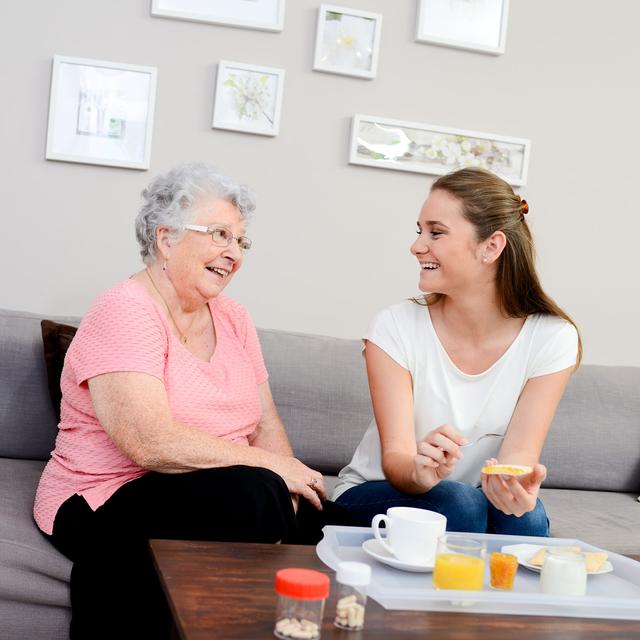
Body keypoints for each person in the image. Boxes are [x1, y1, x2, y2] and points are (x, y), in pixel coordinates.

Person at [33, 162, 341, 639]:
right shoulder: (124, 310)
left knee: (331, 524)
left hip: (215, 488)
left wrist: (295, 489)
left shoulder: (234, 318)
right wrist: (272, 473)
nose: (233, 253)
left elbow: (265, 424)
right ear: (167, 238)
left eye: (241, 241)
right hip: (103, 494)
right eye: (220, 234)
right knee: (256, 493)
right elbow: (148, 442)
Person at [333, 167, 581, 537]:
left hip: (470, 498)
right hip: (376, 495)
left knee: (523, 516)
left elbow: (517, 460)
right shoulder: (396, 326)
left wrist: (513, 489)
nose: (417, 246)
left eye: (436, 232)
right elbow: (397, 461)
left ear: (491, 247)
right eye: (420, 231)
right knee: (458, 502)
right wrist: (419, 470)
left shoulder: (551, 338)